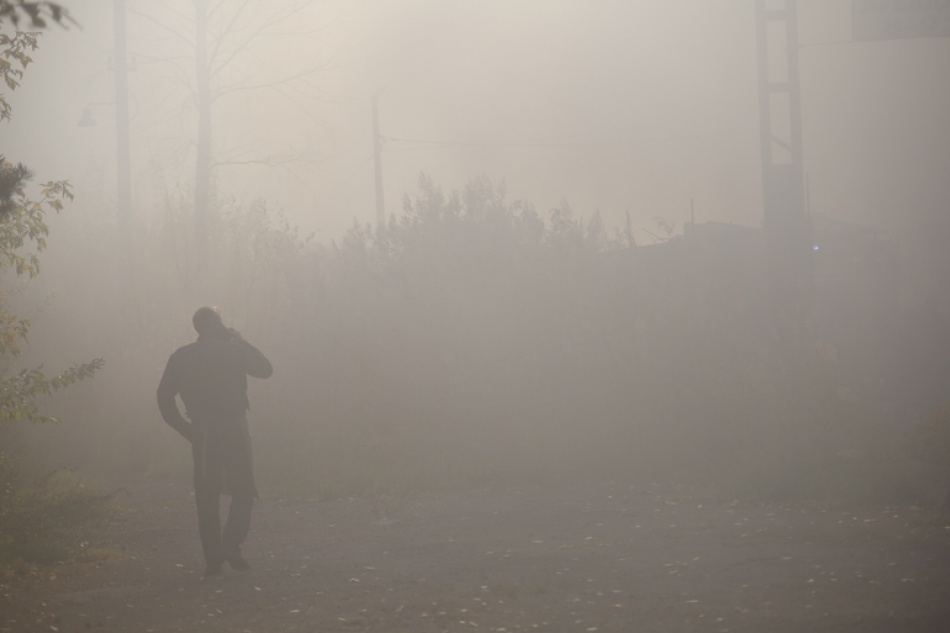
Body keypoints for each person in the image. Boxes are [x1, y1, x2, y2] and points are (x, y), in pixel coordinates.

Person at [157, 307, 273, 576]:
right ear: (218, 325)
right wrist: (238, 339)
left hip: (203, 432)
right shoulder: (232, 350)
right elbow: (266, 369)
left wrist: (186, 430)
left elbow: (163, 397)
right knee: (244, 491)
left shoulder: (181, 356)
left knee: (207, 496)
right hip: (234, 429)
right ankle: (231, 544)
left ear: (197, 328)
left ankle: (213, 559)